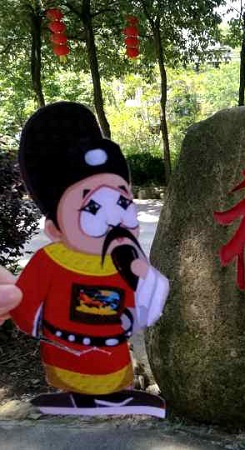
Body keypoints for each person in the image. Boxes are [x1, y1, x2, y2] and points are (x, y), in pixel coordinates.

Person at [6, 102, 169, 417]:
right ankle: (81, 399)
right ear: (55, 229)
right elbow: (26, 311)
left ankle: (112, 396)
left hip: (114, 357)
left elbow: (140, 309)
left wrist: (144, 284)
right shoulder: (50, 261)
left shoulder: (124, 260)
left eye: (122, 202)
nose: (113, 217)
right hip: (66, 354)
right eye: (92, 208)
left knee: (114, 376)